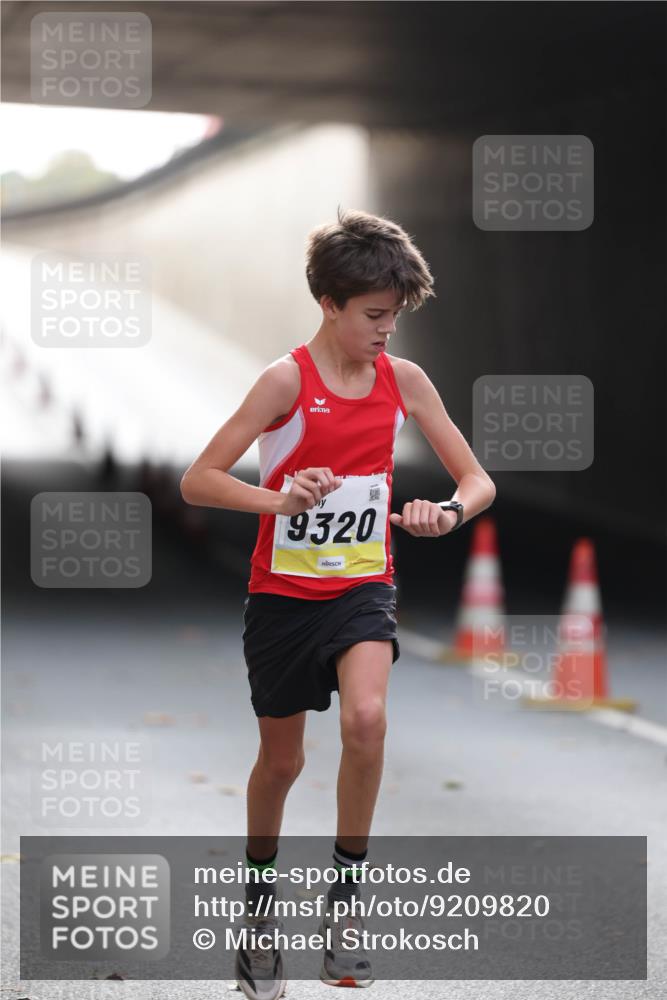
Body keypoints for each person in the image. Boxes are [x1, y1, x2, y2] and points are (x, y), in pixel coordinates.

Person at [180, 207, 496, 997]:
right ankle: (258, 909)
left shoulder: (403, 381)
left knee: (365, 720)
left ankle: (346, 903)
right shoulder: (285, 380)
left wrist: (445, 513)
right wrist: (279, 500)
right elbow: (199, 480)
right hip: (282, 597)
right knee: (281, 762)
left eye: (395, 316)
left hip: (362, 584)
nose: (387, 331)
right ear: (329, 303)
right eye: (374, 316)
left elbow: (476, 481)